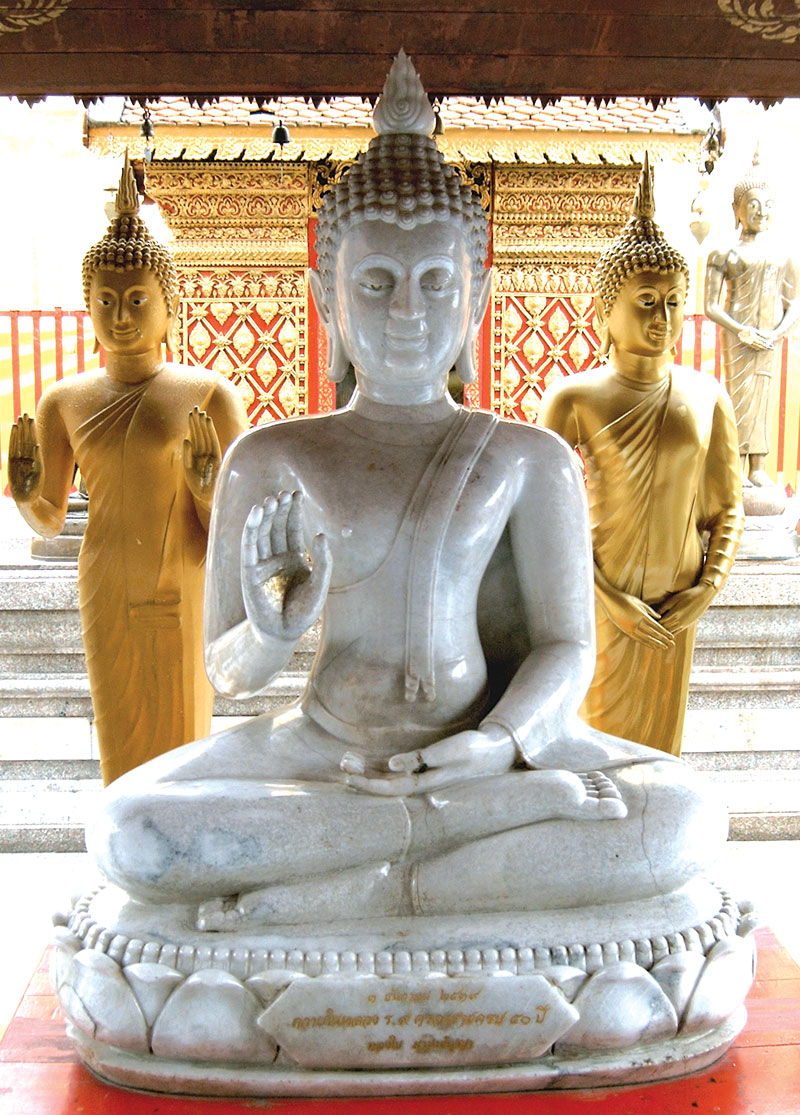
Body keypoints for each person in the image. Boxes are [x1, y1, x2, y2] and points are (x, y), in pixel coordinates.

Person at [89, 55, 725, 930]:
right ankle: (446, 848)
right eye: (375, 284)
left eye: (437, 284)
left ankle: (353, 884)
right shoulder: (270, 457)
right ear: (327, 301)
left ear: (477, 301)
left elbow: (567, 645)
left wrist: (497, 744)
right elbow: (227, 672)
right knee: (130, 829)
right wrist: (273, 630)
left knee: (684, 812)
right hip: (322, 754)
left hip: (481, 751)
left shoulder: (528, 458)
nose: (406, 314)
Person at [8, 156, 248, 783]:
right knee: (120, 734)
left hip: (179, 578)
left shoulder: (209, 394)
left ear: (169, 307)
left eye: (138, 299)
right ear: (87, 308)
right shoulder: (64, 400)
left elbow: (233, 524)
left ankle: (181, 855)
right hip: (107, 580)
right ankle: (126, 850)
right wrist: (26, 494)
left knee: (181, 740)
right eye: (106, 300)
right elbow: (52, 522)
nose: (121, 315)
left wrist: (205, 488)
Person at [539, 155, 743, 756]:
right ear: (606, 311)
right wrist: (609, 600)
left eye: (676, 301)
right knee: (595, 747)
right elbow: (544, 518)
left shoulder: (706, 396)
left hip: (676, 606)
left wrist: (705, 590)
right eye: (647, 301)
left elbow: (726, 508)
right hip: (600, 598)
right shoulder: (573, 398)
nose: (664, 317)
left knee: (661, 757)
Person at [704, 152, 800, 487]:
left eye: (768, 205)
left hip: (769, 339)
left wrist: (778, 333)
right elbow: (711, 307)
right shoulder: (723, 252)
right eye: (754, 204)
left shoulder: (784, 253)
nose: (761, 212)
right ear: (737, 210)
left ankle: (759, 466)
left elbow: (794, 301)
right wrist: (742, 331)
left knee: (765, 399)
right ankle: (735, 463)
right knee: (738, 398)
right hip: (738, 338)